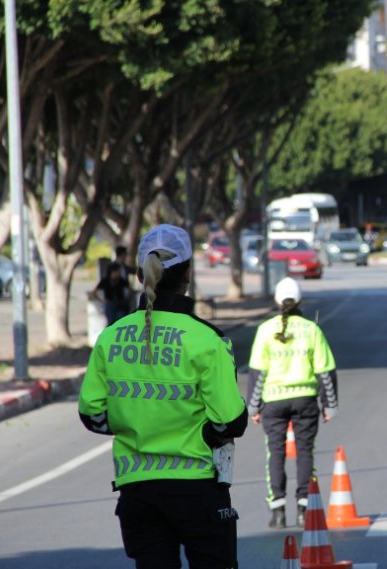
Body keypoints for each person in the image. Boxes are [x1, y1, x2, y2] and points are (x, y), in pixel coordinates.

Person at [78, 224, 248, 569]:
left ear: (140, 275)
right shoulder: (207, 339)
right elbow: (231, 421)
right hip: (198, 488)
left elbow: (92, 415)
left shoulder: (110, 337)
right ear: (187, 273)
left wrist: (134, 421)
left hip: (137, 492)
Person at [247, 277, 338, 529]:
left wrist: (254, 407)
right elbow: (325, 370)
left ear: (277, 300)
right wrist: (329, 405)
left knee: (275, 453)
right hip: (305, 400)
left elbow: (257, 372)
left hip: (273, 401)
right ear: (300, 301)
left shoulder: (265, 329)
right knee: (305, 451)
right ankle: (303, 510)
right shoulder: (311, 329)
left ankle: (277, 511)